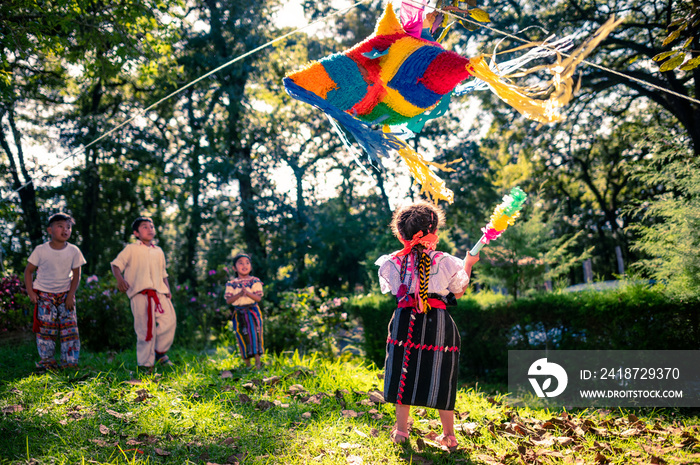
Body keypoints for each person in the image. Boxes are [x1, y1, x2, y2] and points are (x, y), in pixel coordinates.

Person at [376, 201, 479, 450]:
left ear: (401, 234)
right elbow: (460, 291)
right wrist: (469, 263)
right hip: (439, 323)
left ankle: (401, 431)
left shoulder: (391, 263)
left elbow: (395, 291)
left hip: (405, 322)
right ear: (433, 233)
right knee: (442, 375)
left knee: (403, 371)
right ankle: (449, 435)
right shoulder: (445, 262)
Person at [111, 217, 177, 370]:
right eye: (145, 227)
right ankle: (145, 364)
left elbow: (163, 273)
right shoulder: (131, 249)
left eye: (152, 226)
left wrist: (167, 290)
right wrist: (120, 279)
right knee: (144, 329)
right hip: (140, 294)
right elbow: (116, 264)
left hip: (159, 293)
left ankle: (159, 352)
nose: (150, 229)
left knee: (169, 321)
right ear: (136, 233)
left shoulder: (158, 251)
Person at [24, 212, 86, 370]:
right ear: (50, 230)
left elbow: (77, 274)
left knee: (70, 329)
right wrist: (31, 293)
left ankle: (69, 363)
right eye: (60, 226)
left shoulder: (74, 251)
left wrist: (71, 295)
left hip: (66, 295)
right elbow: (28, 271)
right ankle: (47, 362)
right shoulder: (41, 250)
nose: (65, 230)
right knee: (46, 330)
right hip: (44, 296)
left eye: (68, 227)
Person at [225, 253, 264, 369]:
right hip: (239, 313)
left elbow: (258, 298)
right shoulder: (231, 283)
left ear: (251, 267)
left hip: (253, 311)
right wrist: (240, 294)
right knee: (242, 334)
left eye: (247, 263)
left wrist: (247, 293)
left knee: (255, 334)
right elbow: (228, 300)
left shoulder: (255, 281)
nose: (244, 265)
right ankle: (247, 364)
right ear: (234, 268)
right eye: (240, 263)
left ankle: (258, 363)